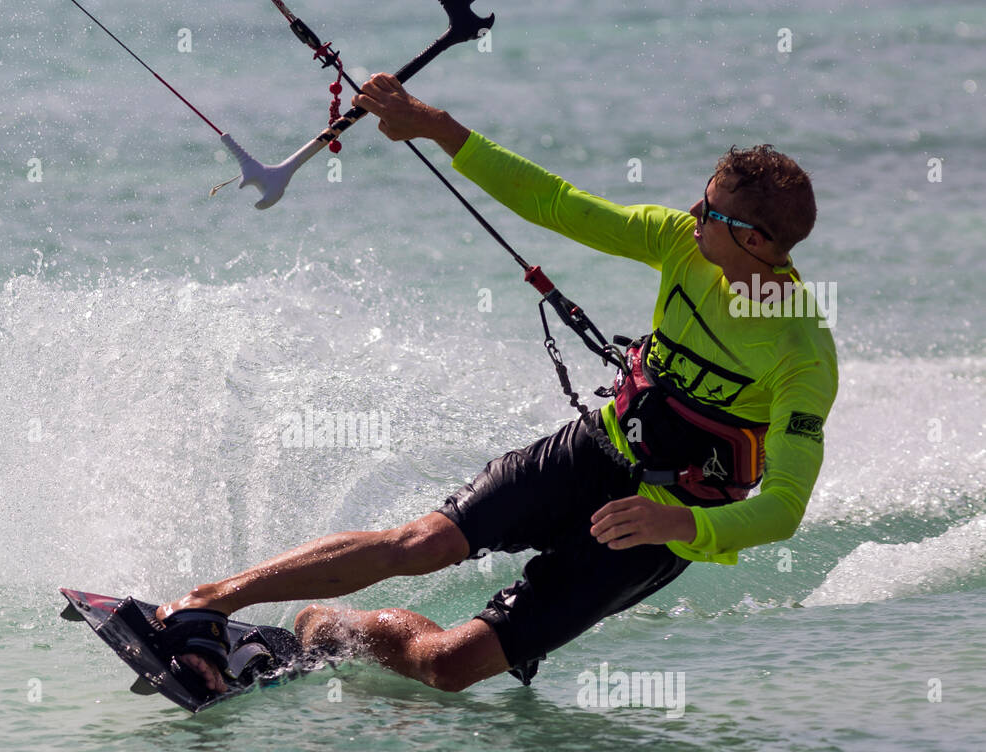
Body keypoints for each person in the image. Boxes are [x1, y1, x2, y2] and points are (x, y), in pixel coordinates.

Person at [155, 73, 838, 695]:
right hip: (593, 450)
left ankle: (325, 630)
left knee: (446, 667)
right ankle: (210, 602)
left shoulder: (801, 350)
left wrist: (676, 521)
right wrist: (436, 126)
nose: (691, 213)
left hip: (663, 521)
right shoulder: (680, 244)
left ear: (753, 241)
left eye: (708, 211)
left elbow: (784, 507)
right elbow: (557, 203)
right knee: (418, 545)